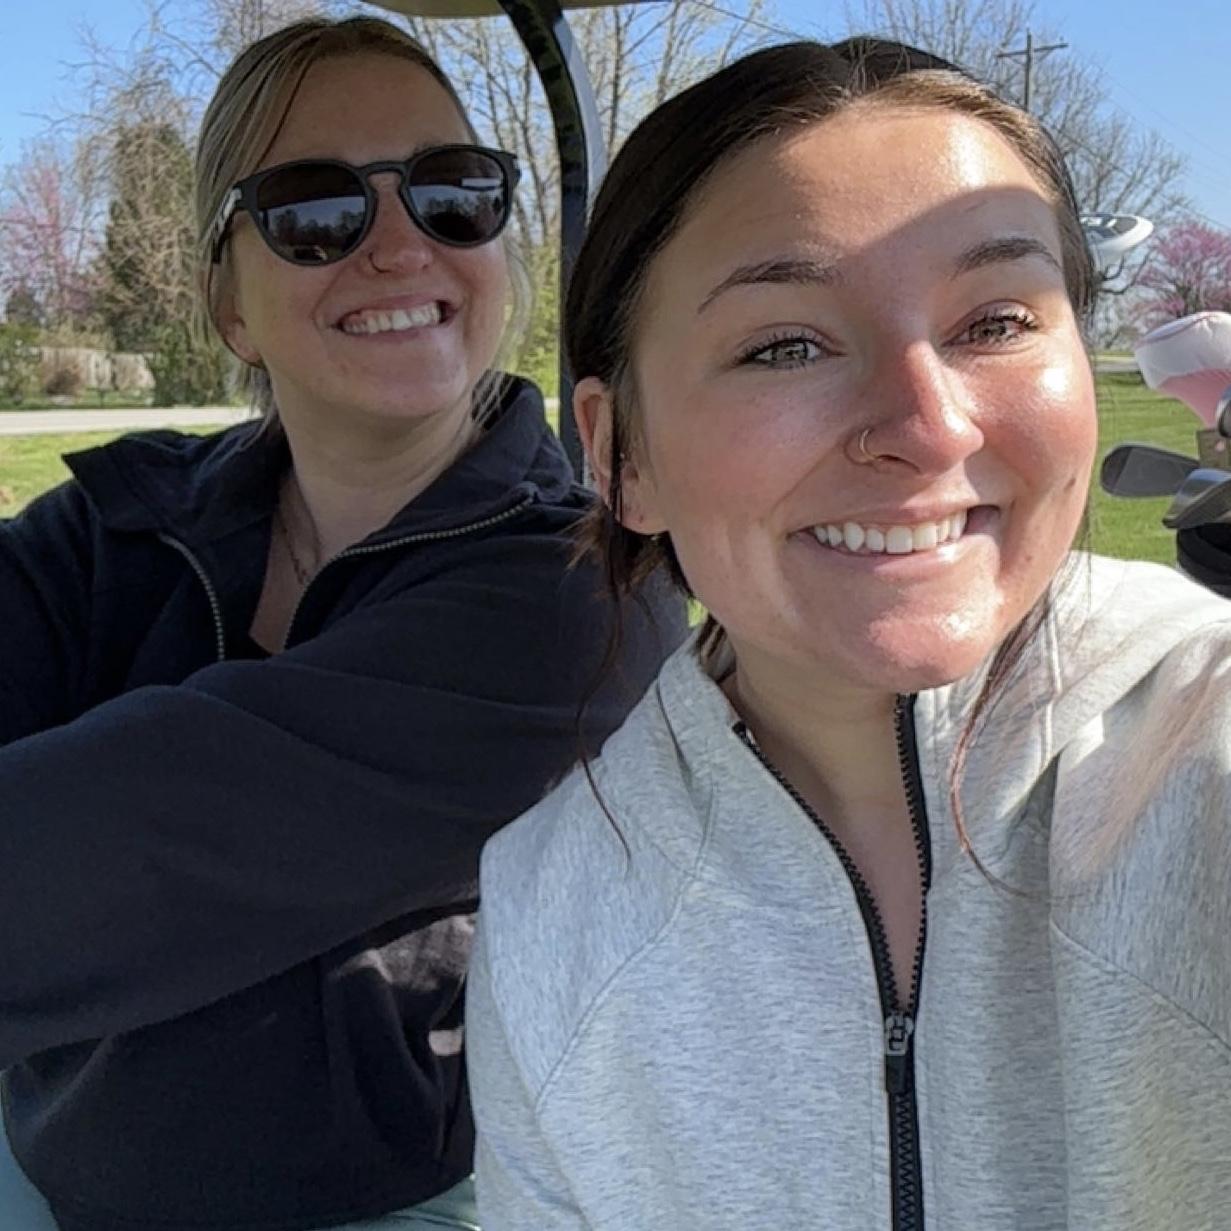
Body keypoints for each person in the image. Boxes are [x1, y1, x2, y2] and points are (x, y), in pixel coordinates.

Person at [466, 38, 1231, 1230]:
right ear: (620, 455)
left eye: (995, 320)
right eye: (785, 344)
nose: (928, 425)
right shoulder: (547, 916)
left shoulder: (1205, 748)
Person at [0, 17, 681, 1231]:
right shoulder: (115, 527)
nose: (400, 245)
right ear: (229, 304)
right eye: (315, 212)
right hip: (45, 1171)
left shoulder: (578, 597)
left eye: (453, 192)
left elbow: (117, 858)